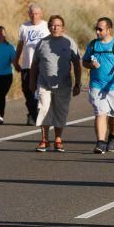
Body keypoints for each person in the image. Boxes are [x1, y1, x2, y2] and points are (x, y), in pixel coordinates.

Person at [30, 15, 81, 152]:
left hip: (63, 84)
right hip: (44, 83)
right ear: (48, 27)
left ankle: (58, 139)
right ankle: (44, 140)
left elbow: (76, 64)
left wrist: (78, 83)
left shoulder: (69, 42)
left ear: (63, 27)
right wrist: (32, 82)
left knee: (61, 111)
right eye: (52, 25)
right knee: (44, 109)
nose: (55, 27)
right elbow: (34, 65)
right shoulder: (42, 43)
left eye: (58, 25)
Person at [83, 17, 114, 154]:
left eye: (100, 29)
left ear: (109, 30)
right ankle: (100, 143)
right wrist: (91, 65)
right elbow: (84, 62)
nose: (97, 31)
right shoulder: (93, 45)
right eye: (96, 29)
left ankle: (112, 137)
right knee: (100, 112)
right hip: (96, 85)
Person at [15, 3, 49, 125]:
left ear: (41, 14)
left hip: (43, 65)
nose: (34, 16)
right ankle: (32, 113)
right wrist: (16, 60)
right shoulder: (24, 27)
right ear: (29, 14)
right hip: (27, 65)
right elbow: (20, 45)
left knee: (42, 91)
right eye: (32, 14)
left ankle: (39, 113)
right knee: (28, 90)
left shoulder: (47, 26)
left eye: (36, 14)